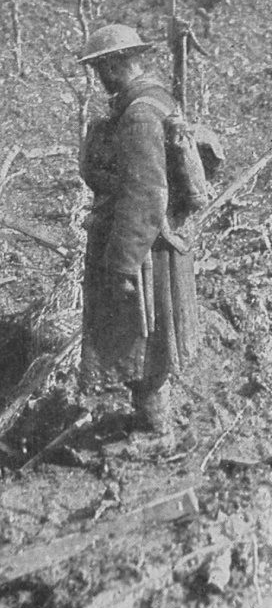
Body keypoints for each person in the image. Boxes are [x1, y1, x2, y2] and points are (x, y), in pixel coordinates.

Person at [77, 24, 203, 437]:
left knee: (144, 338)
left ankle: (155, 429)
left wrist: (121, 262)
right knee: (146, 338)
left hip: (143, 248)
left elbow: (146, 195)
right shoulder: (157, 99)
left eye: (101, 68)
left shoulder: (139, 116)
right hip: (152, 240)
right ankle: (151, 420)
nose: (99, 78)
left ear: (116, 66)